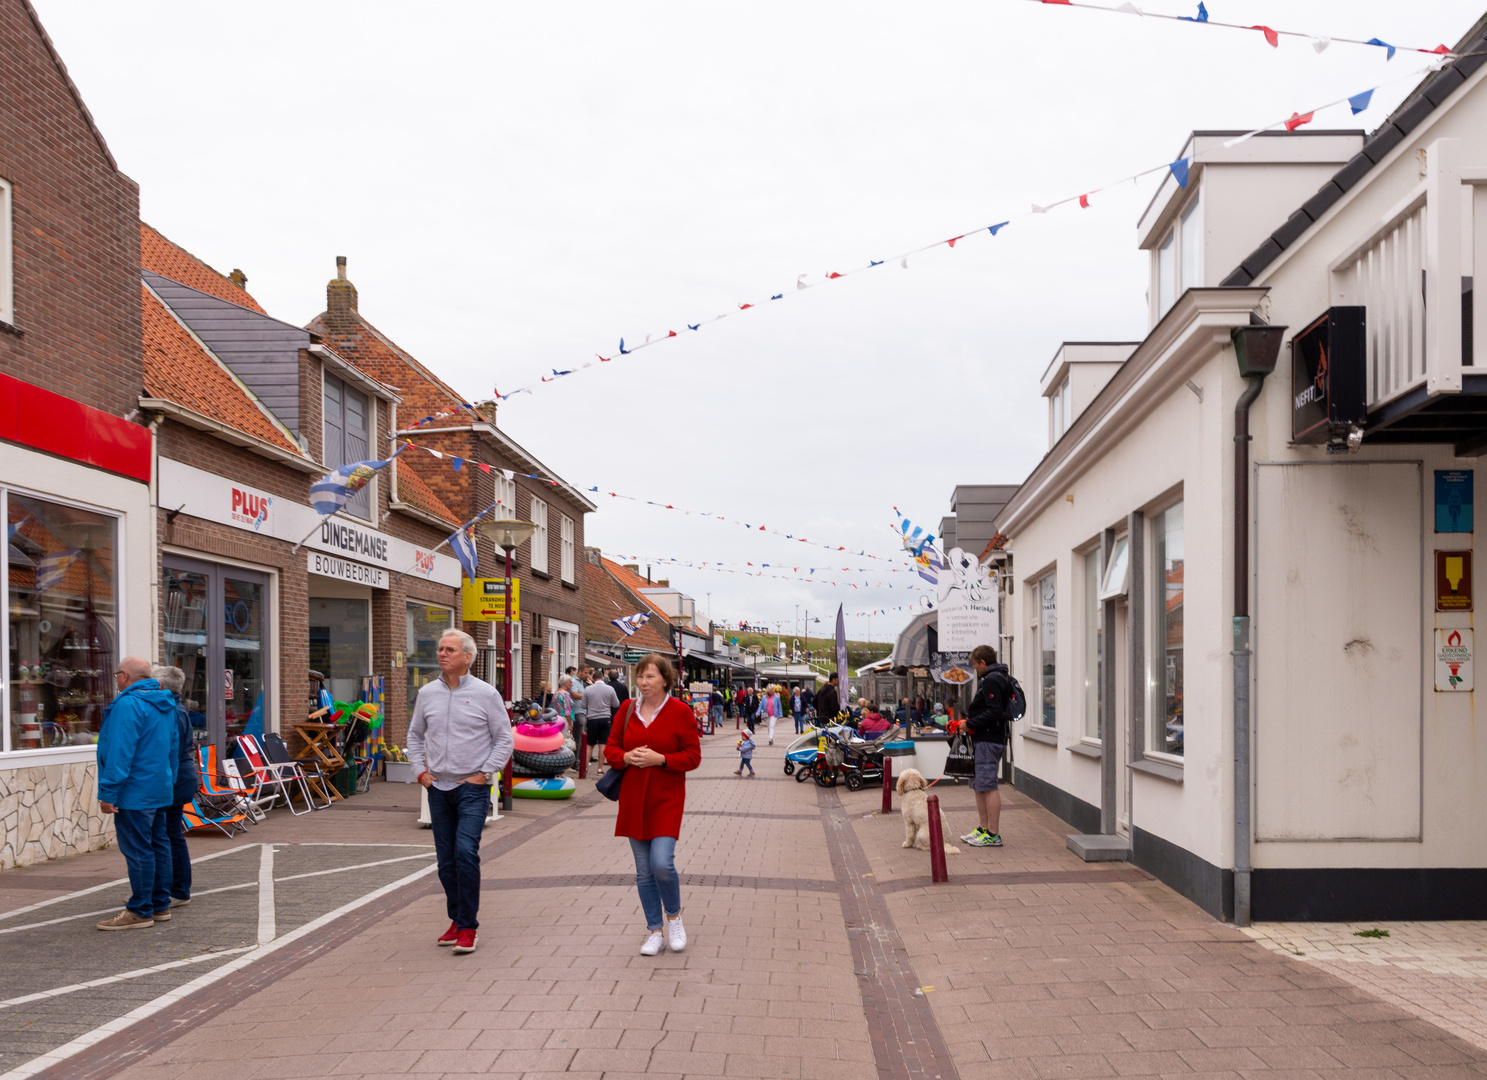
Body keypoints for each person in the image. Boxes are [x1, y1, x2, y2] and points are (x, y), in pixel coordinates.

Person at [408, 629, 514, 954]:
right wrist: (420, 773)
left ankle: (468, 927)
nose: (442, 654)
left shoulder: (486, 694)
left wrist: (485, 774)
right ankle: (456, 918)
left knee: (465, 852)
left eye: (450, 649)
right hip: (437, 788)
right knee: (445, 862)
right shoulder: (427, 694)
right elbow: (414, 736)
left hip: (472, 787)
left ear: (467, 657)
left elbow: (504, 739)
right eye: (440, 648)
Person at [605, 653, 701, 956]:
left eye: (650, 677)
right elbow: (610, 749)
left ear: (665, 679)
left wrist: (661, 759)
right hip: (633, 798)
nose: (643, 683)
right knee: (644, 871)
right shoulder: (627, 709)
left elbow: (693, 756)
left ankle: (674, 918)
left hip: (667, 798)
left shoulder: (680, 712)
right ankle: (654, 931)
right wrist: (626, 757)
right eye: (640, 676)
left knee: (662, 862)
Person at [95, 657, 179, 930]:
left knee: (139, 850)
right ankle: (159, 904)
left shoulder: (128, 705)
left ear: (125, 676)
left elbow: (120, 752)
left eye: (118, 673)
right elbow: (173, 751)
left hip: (134, 792)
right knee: (158, 844)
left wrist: (108, 792)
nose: (117, 678)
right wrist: (170, 782)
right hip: (158, 788)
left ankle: (141, 910)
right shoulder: (166, 705)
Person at [152, 665, 198, 909]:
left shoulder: (174, 712)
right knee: (170, 833)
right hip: (179, 776)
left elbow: (170, 750)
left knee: (170, 833)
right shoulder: (175, 709)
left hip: (177, 778)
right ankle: (171, 888)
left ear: (159, 686)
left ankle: (178, 889)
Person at [961, 644, 1011, 849]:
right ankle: (983, 829)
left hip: (989, 740)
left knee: (988, 786)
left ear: (983, 662)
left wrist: (969, 724)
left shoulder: (991, 680)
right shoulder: (999, 678)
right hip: (987, 739)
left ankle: (993, 834)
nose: (974, 669)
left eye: (975, 665)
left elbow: (994, 711)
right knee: (979, 785)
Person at [583, 674, 621, 770]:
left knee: (590, 743)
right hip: (605, 718)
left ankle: (586, 767)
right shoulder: (610, 689)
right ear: (602, 678)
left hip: (592, 718)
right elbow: (616, 704)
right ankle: (600, 768)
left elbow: (583, 705)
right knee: (602, 743)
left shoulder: (588, 689)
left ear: (593, 679)